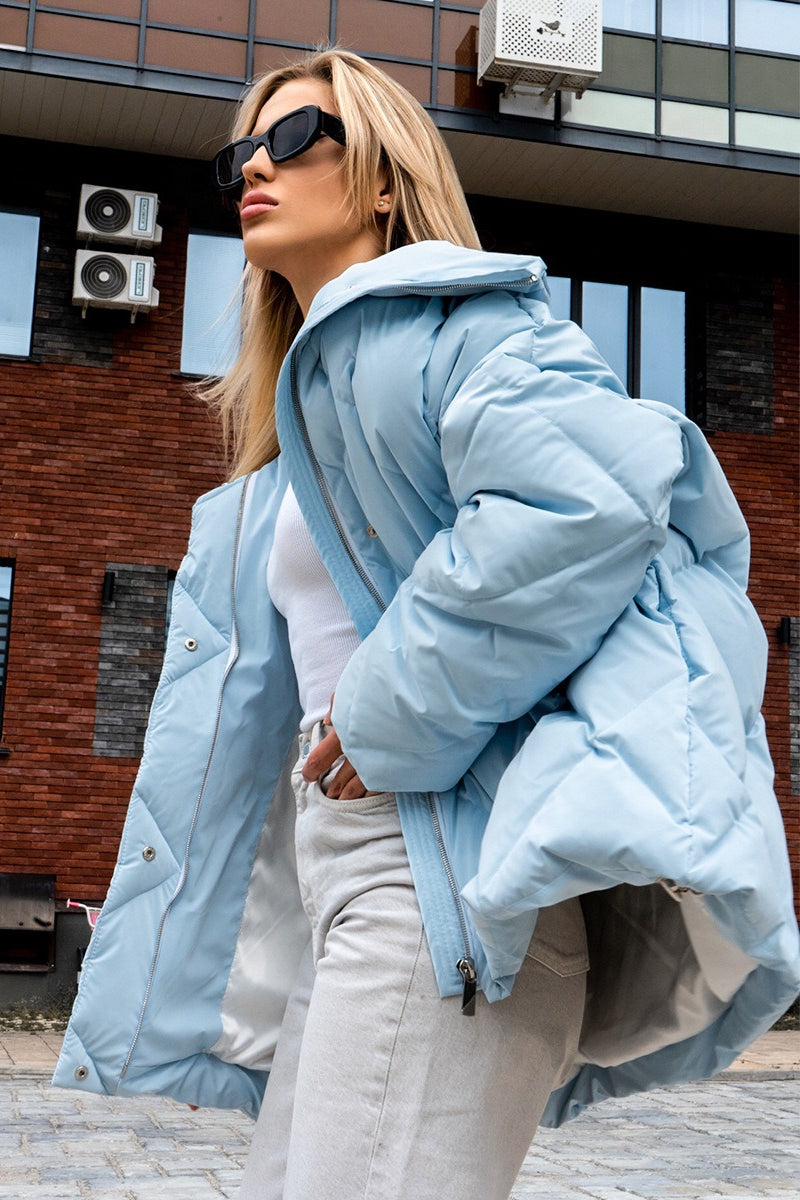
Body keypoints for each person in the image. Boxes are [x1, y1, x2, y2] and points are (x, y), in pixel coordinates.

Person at [53, 48, 800, 1200]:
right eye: (239, 151)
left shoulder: (468, 333)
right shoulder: (285, 453)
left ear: (383, 177)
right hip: (346, 876)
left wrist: (384, 709)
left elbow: (585, 500)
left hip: (442, 868)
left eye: (292, 139)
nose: (254, 167)